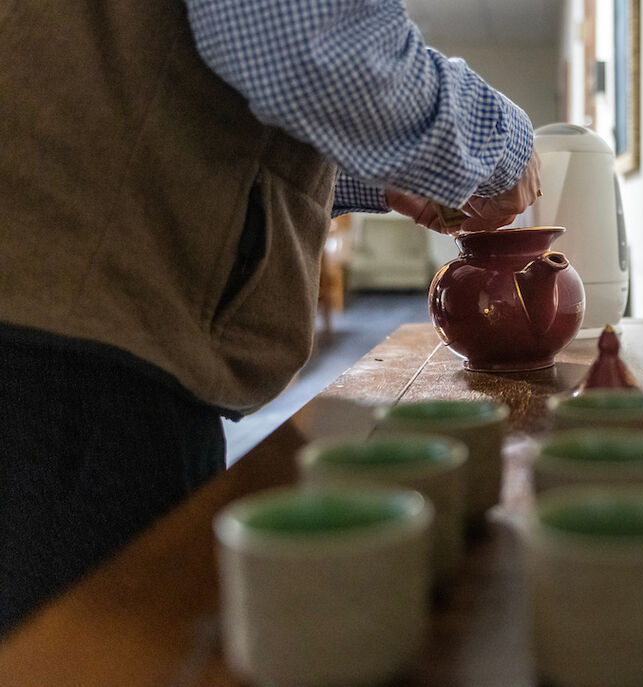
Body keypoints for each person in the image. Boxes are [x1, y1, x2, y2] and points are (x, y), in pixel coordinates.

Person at [0, 0, 539, 633]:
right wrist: (502, 141)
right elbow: (310, 43)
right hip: (74, 361)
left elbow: (213, 96)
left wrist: (382, 176)